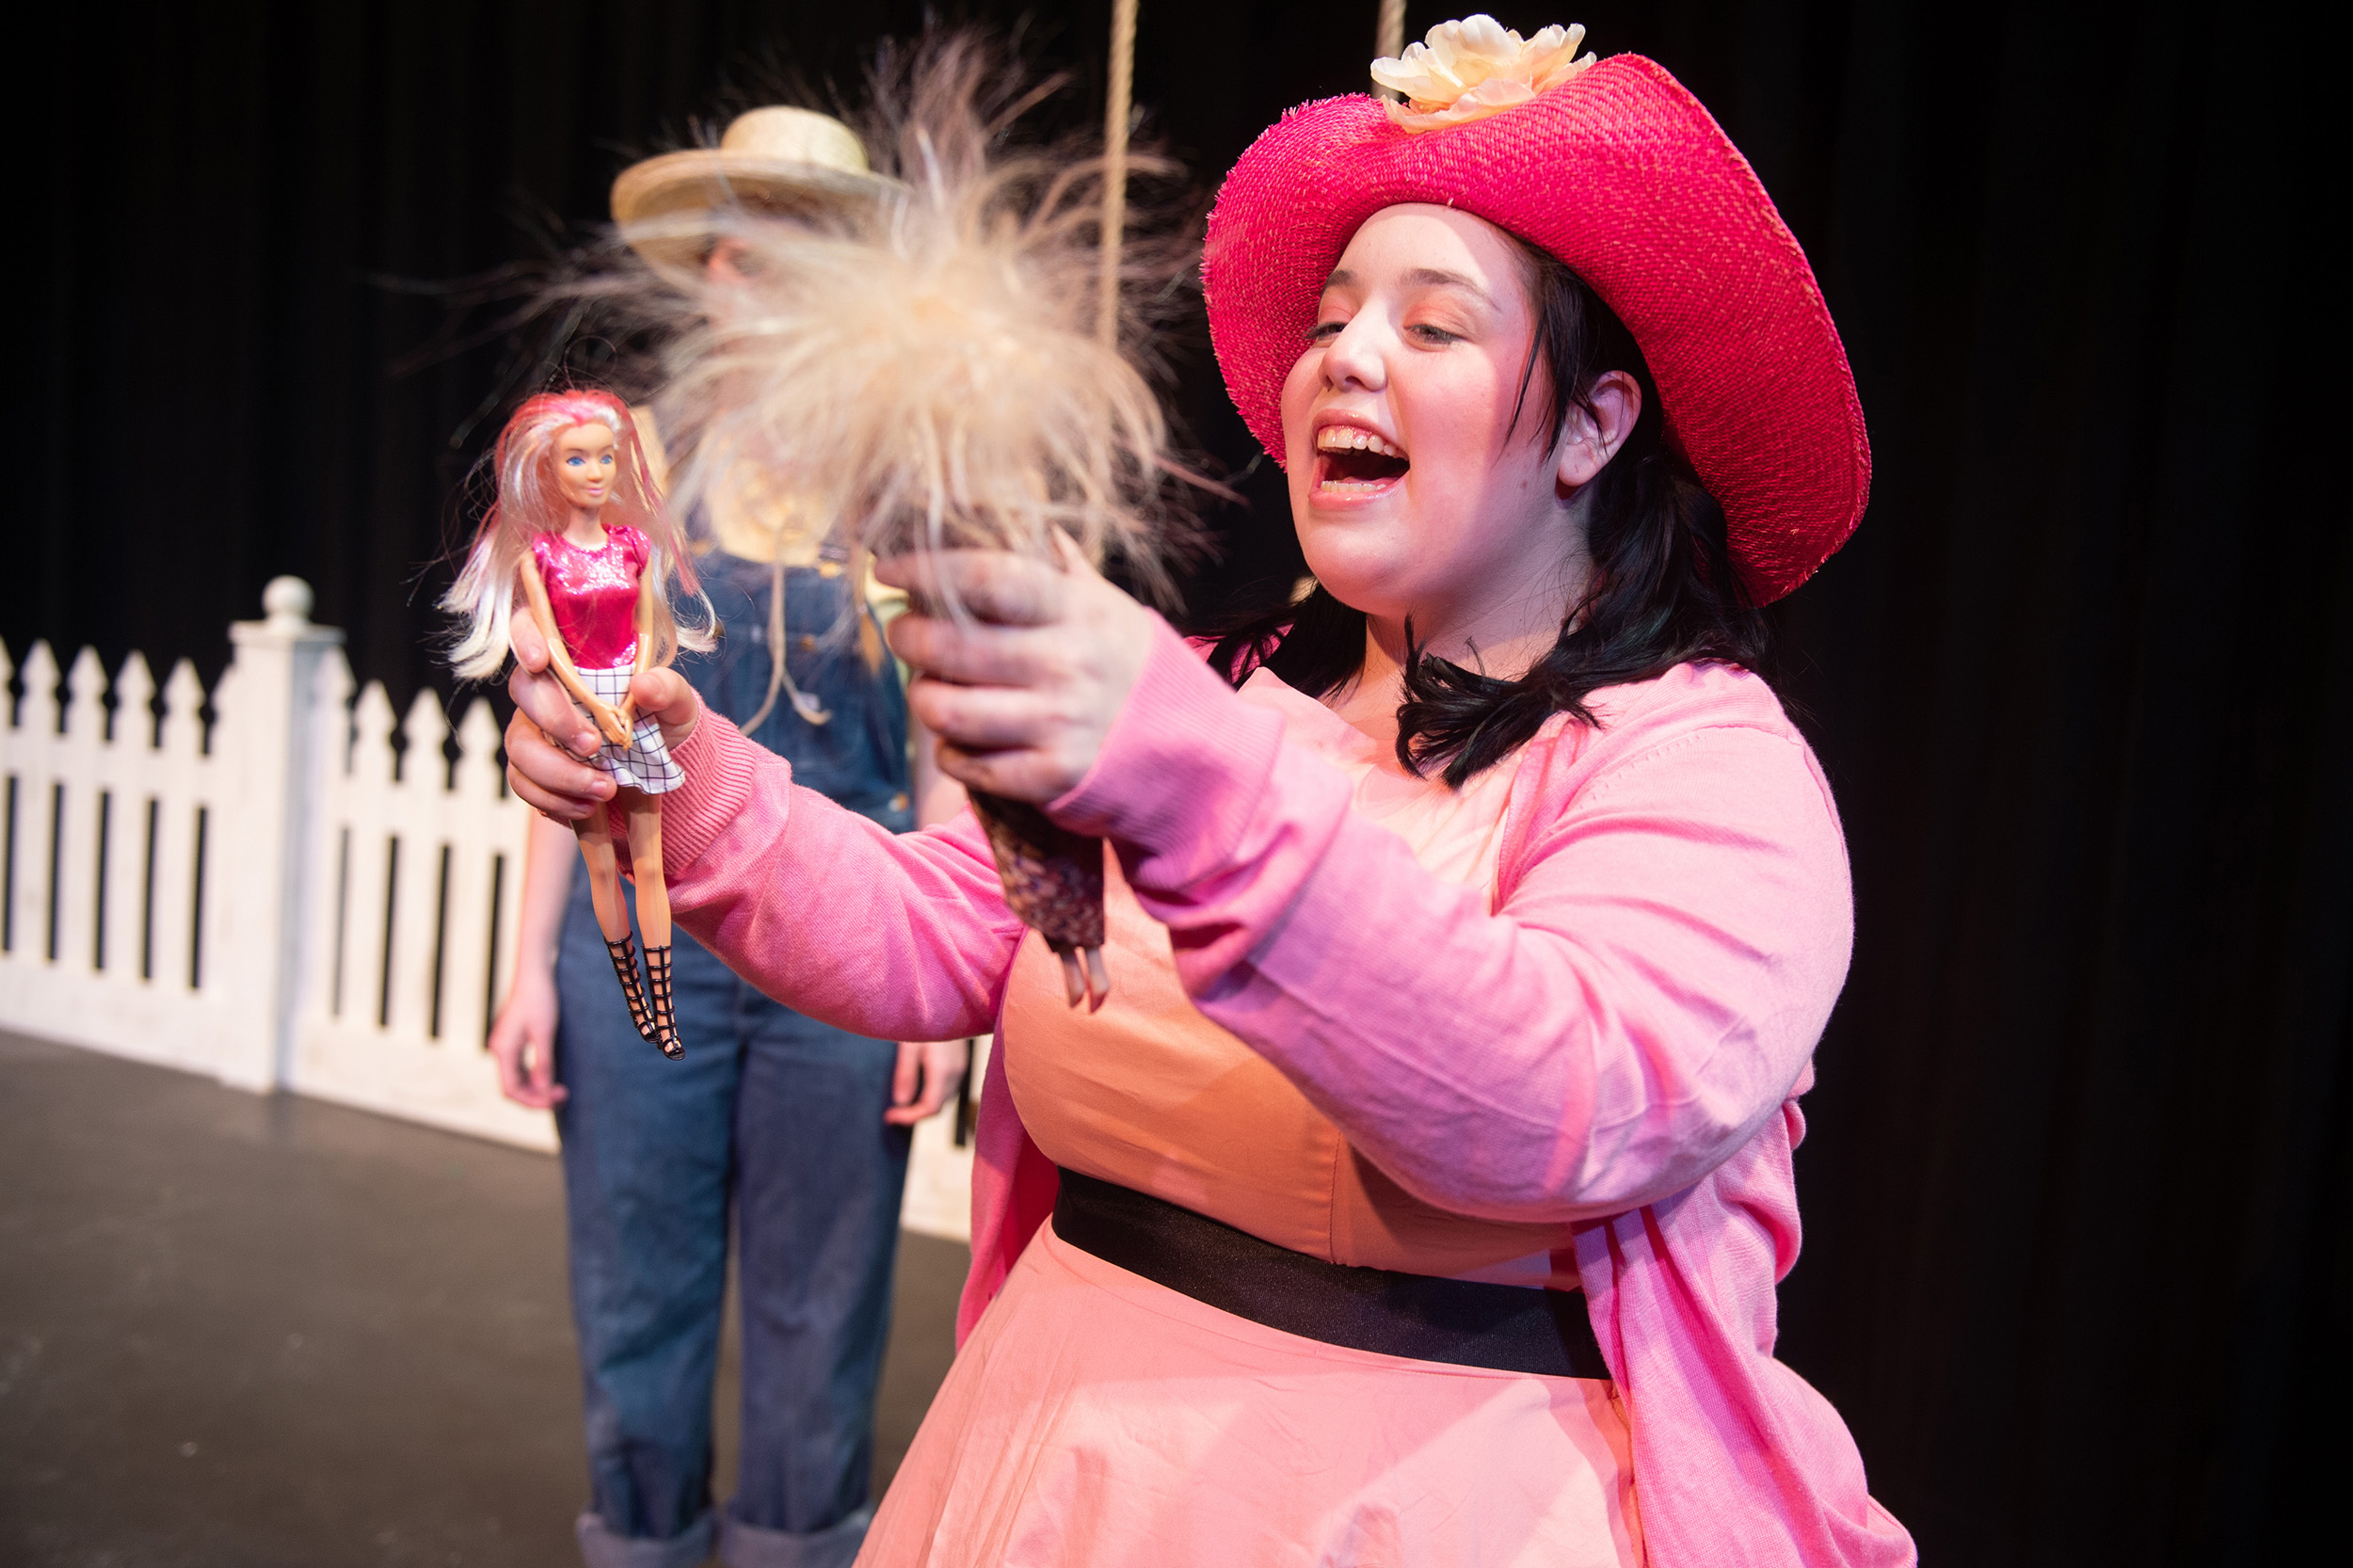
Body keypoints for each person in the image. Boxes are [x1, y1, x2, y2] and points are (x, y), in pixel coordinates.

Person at [504, 19, 1915, 1567]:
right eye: (1332, 318)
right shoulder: (1230, 678)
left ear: (1595, 423)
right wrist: (672, 767)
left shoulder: (1706, 766)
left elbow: (1561, 1100)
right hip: (1047, 1479)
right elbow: (943, 931)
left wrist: (1190, 775)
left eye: (1434, 327)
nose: (1347, 355)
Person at [484, 106, 966, 1568]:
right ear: (705, 274)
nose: (765, 285)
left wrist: (939, 982)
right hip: (640, 953)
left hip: (843, 953)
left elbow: (947, 740)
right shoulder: (621, 472)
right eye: (740, 256)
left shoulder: (906, 480)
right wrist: (524, 970)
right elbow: (572, 742)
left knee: (824, 1315)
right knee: (638, 1295)